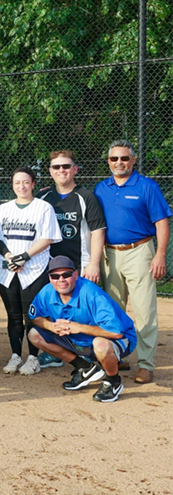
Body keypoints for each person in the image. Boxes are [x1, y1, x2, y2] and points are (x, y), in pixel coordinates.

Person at [94, 140, 172, 384]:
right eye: (114, 159)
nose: (119, 163)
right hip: (109, 254)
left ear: (133, 160)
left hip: (139, 251)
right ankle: (120, 355)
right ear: (108, 162)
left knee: (144, 310)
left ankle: (146, 364)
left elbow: (161, 222)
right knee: (113, 311)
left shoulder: (147, 186)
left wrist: (160, 255)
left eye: (124, 158)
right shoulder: (101, 188)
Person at [28, 256, 137, 403]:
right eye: (55, 276)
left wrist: (78, 327)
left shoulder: (91, 293)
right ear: (50, 278)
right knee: (34, 335)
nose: (61, 280)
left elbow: (115, 332)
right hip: (79, 340)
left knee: (101, 345)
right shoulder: (47, 292)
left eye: (66, 274)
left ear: (76, 274)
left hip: (119, 338)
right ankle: (84, 368)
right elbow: (35, 317)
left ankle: (113, 381)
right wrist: (51, 326)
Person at [35, 149, 107, 369]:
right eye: (56, 167)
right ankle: (56, 352)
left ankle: (86, 353)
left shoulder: (86, 197)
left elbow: (98, 231)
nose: (61, 170)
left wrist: (93, 264)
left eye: (66, 166)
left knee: (83, 310)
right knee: (52, 309)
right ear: (50, 171)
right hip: (49, 265)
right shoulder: (44, 196)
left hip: (79, 265)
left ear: (75, 169)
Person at [0, 166, 62, 376]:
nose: (21, 186)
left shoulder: (43, 207)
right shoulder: (4, 209)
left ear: (33, 184)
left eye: (25, 182)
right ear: (12, 185)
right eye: (17, 182)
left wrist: (25, 257)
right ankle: (15, 355)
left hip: (34, 268)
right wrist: (11, 257)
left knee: (32, 315)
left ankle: (33, 357)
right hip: (7, 269)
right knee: (12, 315)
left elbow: (47, 237)